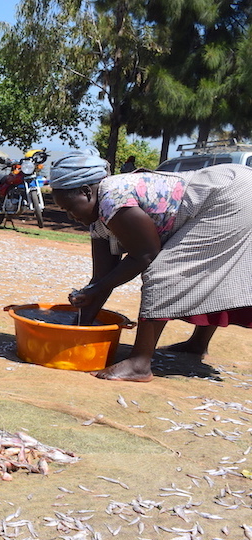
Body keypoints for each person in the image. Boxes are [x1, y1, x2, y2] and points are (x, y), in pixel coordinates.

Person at [50, 149, 252, 382]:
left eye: (69, 208)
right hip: (230, 189)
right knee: (210, 272)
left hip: (230, 195)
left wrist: (95, 289)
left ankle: (139, 364)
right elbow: (101, 279)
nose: (69, 216)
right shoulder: (99, 222)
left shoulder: (113, 199)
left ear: (86, 192)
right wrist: (79, 328)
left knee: (163, 272)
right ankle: (196, 345)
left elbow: (146, 255)